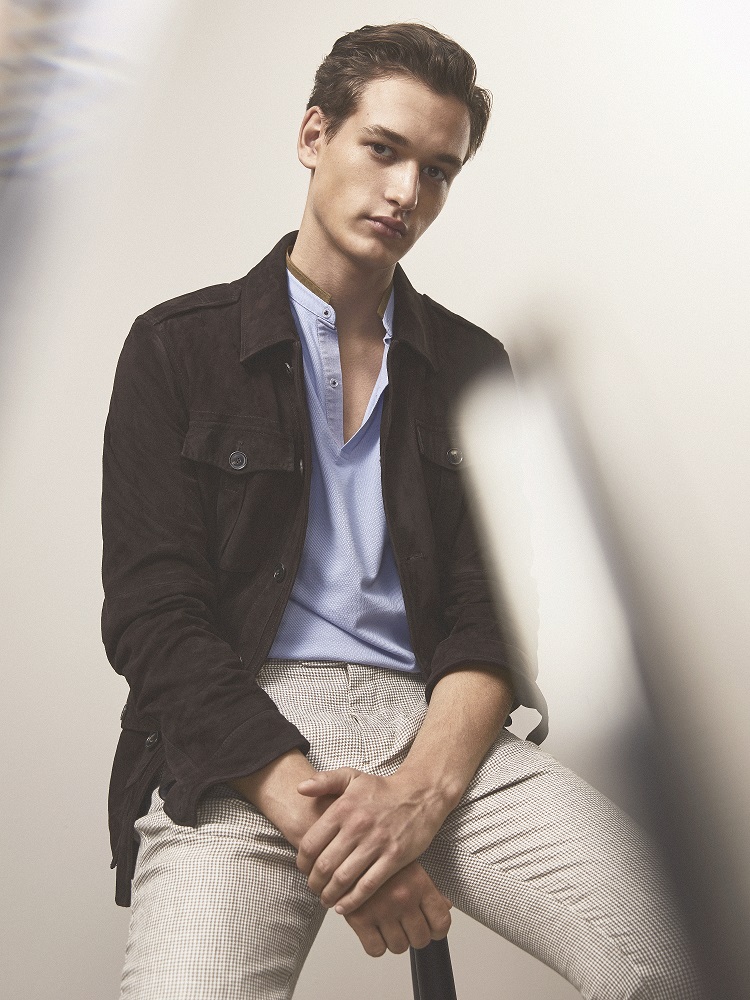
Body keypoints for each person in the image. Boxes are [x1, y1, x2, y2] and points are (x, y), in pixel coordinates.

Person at [102, 22, 702, 1000]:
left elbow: (490, 614)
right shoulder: (175, 349)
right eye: (382, 149)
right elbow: (154, 617)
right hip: (241, 731)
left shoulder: (471, 367)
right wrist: (338, 831)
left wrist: (417, 797)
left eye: (437, 171)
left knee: (685, 953)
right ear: (314, 136)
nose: (405, 193)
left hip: (435, 725)